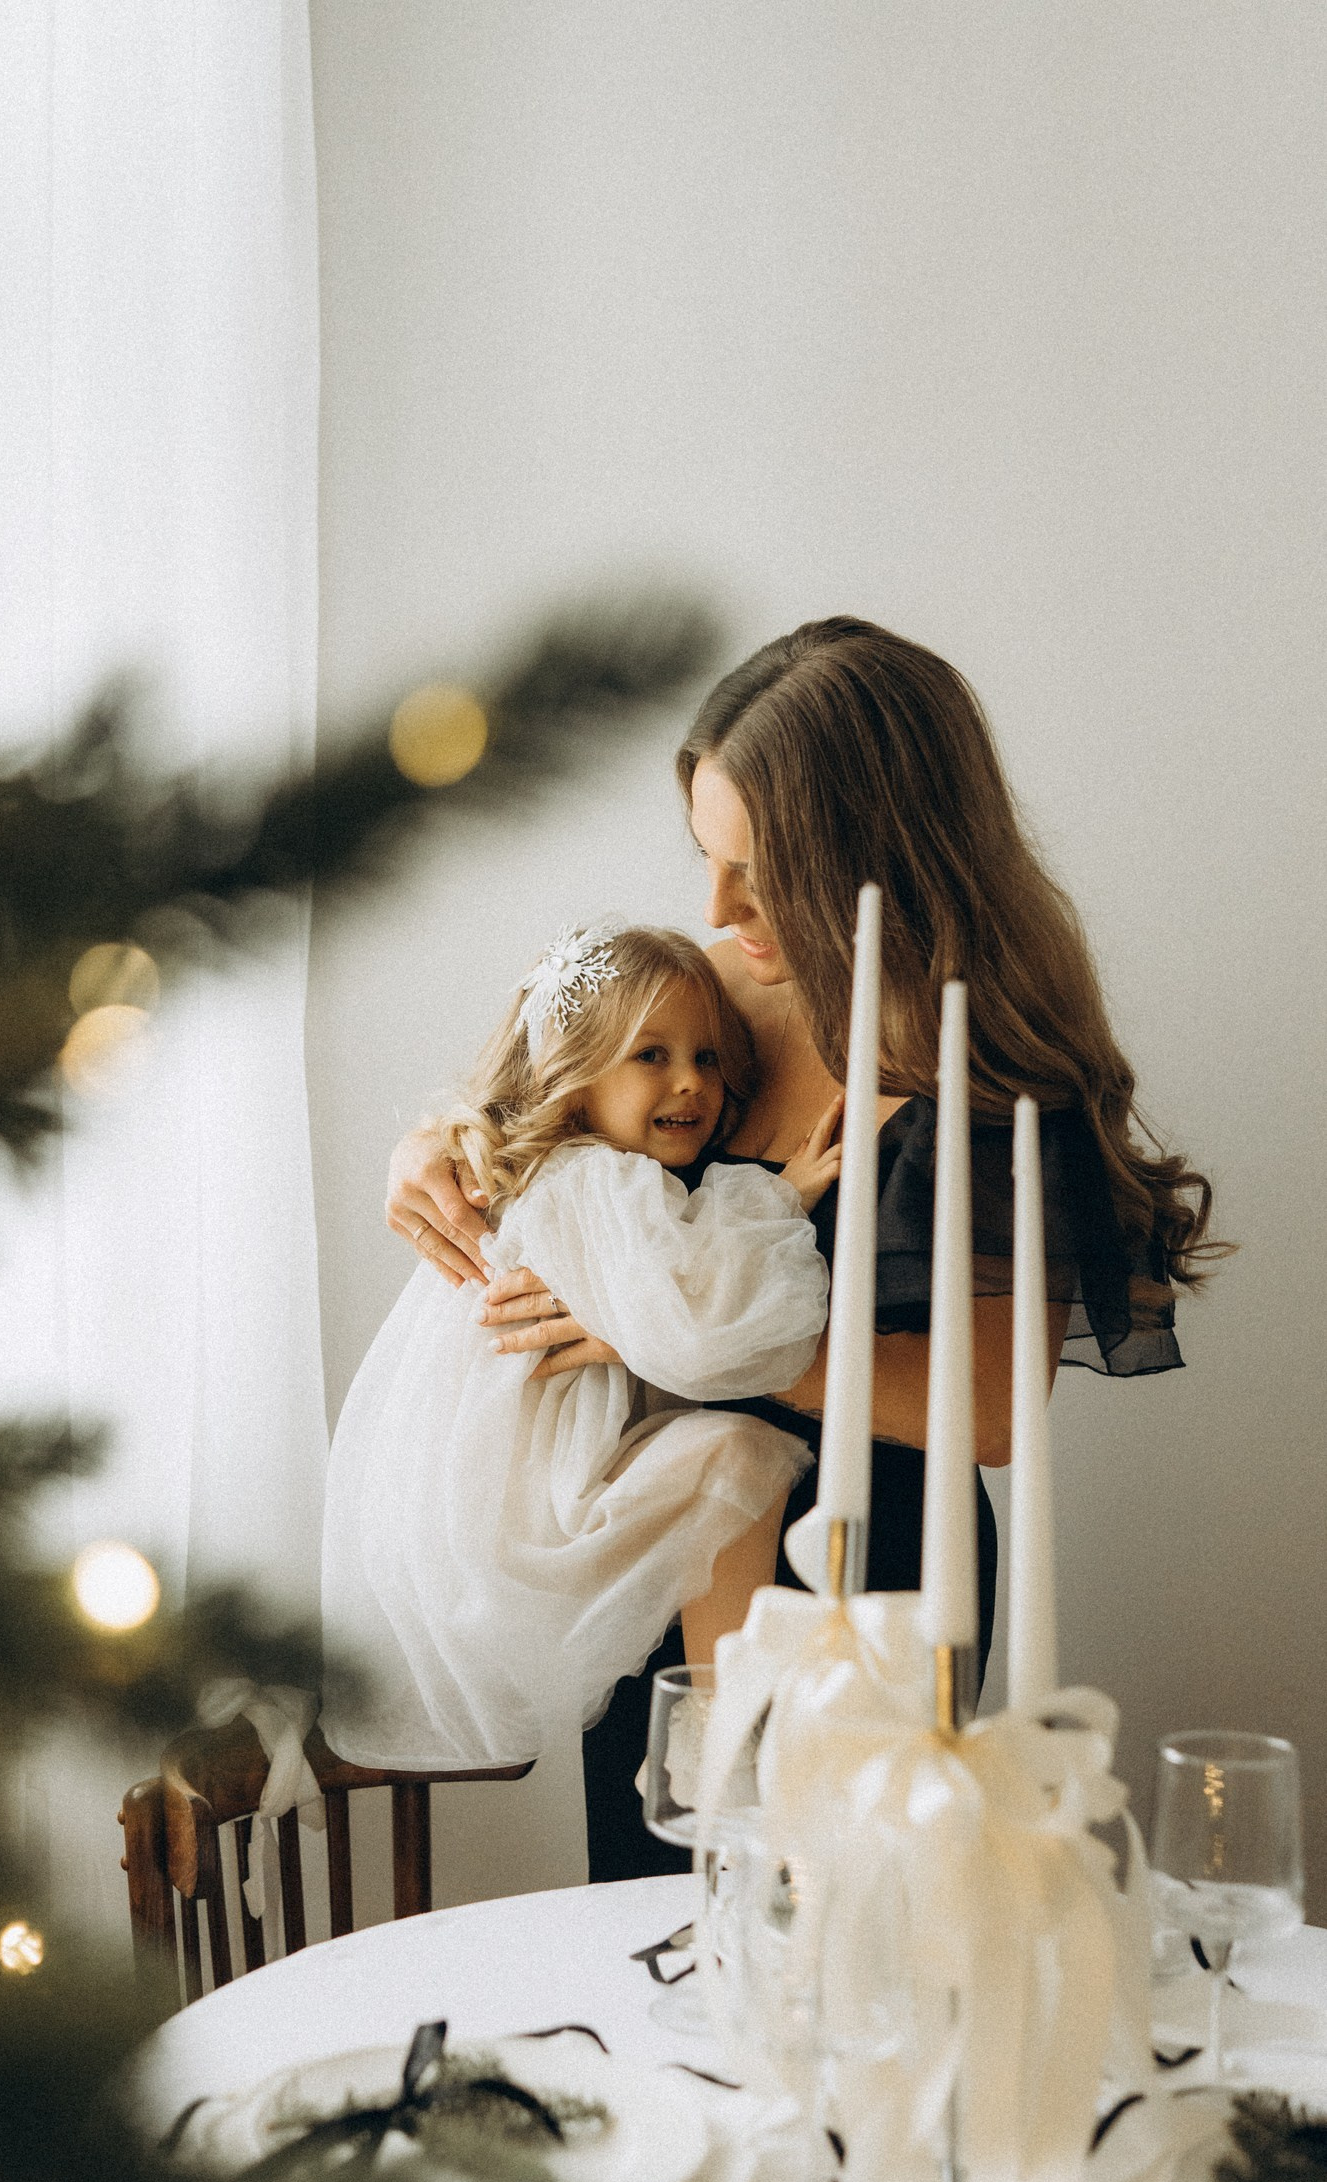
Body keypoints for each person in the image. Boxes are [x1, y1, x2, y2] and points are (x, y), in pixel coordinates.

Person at [387, 618, 1220, 1877]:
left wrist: (683, 1339)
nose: (718, 908)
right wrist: (427, 1149)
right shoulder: (695, 996)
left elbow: (995, 1411)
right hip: (652, 1550)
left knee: (838, 1945)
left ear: (877, 857)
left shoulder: (984, 1068)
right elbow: (534, 1105)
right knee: (653, 1933)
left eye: (759, 872)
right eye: (706, 857)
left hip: (873, 1589)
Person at [319, 925, 834, 1772]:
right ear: (571, 1081)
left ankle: (723, 1729)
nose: (690, 1082)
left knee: (725, 1459)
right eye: (651, 1056)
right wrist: (781, 1199)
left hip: (489, 1514)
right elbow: (699, 1331)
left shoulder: (554, 1175)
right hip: (537, 1518)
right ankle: (724, 1740)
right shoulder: (599, 1181)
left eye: (707, 1058)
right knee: (736, 1458)